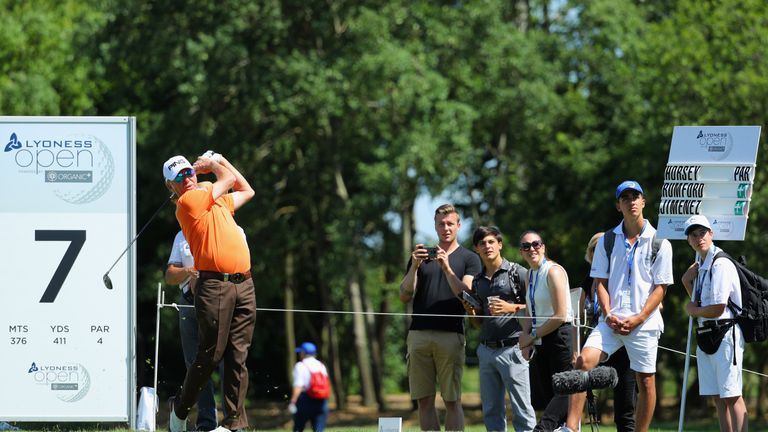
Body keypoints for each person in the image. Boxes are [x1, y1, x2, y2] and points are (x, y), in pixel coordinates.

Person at [560, 180, 673, 432]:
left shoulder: (660, 241)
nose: (631, 201)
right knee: (582, 364)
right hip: (610, 321)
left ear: (643, 202)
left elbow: (661, 288)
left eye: (636, 196)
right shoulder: (607, 240)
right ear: (618, 205)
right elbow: (600, 282)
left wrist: (639, 318)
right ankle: (571, 428)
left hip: (644, 323)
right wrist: (609, 314)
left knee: (646, 382)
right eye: (625, 198)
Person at [164, 152, 256, 432]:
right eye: (178, 176)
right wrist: (213, 165)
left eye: (189, 172)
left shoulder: (215, 203)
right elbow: (226, 179)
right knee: (210, 354)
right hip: (214, 285)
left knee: (238, 356)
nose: (187, 178)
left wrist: (222, 158)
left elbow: (246, 189)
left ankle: (232, 425)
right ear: (171, 186)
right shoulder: (188, 202)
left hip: (245, 284)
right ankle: (180, 410)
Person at [399, 204, 482, 431]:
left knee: (452, 400)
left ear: (458, 225)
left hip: (451, 335)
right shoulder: (422, 257)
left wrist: (446, 268)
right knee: (424, 400)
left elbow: (467, 296)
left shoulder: (470, 258)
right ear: (435, 226)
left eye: (450, 223)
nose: (445, 228)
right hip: (418, 335)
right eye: (441, 224)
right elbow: (404, 295)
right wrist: (414, 266)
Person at [680, 215, 747, 432]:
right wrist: (686, 281)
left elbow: (718, 307)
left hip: (725, 333)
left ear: (711, 234)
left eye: (702, 233)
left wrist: (693, 310)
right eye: (693, 235)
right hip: (707, 333)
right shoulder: (701, 264)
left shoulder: (720, 263)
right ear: (689, 240)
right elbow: (701, 299)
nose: (699, 238)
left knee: (732, 395)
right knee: (718, 396)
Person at [465, 226, 536, 431]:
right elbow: (478, 323)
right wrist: (470, 311)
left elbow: (537, 307)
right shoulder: (477, 281)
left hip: (513, 348)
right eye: (482, 243)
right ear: (476, 249)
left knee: (522, 411)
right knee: (491, 411)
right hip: (486, 350)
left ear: (499, 245)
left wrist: (511, 307)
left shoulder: (517, 272)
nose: (487, 246)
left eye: (491, 242)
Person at [517, 230, 574, 432]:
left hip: (560, 337)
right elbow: (529, 310)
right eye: (526, 246)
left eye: (536, 244)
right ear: (521, 252)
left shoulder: (553, 271)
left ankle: (542, 429)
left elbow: (560, 315)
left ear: (543, 246)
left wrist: (532, 335)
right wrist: (527, 338)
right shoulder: (529, 274)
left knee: (565, 391)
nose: (531, 248)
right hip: (541, 339)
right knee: (550, 395)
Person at [579, 232, 636, 432]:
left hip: (624, 340)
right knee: (579, 379)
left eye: (603, 248)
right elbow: (580, 317)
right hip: (598, 340)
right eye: (594, 248)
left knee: (625, 406)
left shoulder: (624, 273)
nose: (599, 252)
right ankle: (570, 425)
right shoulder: (588, 279)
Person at [165, 229, 217, 431]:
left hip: (217, 300)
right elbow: (170, 275)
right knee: (195, 364)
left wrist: (203, 275)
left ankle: (232, 422)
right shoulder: (181, 235)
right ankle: (207, 423)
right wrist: (189, 271)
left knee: (224, 361)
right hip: (188, 301)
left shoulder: (228, 228)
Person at [289, 342, 331, 432]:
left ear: (303, 353)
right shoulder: (321, 365)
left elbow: (298, 386)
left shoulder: (300, 366)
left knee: (298, 428)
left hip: (306, 401)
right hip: (322, 401)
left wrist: (293, 401)